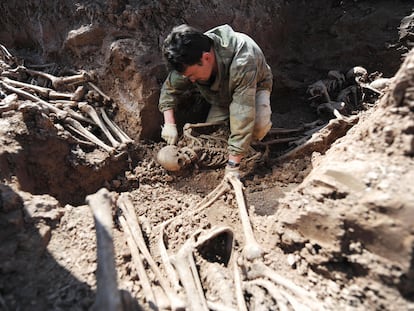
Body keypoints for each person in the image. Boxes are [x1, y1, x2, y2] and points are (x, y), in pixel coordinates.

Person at [158, 24, 273, 177]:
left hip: (253, 87)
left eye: (192, 75)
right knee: (213, 136)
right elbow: (170, 88)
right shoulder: (189, 56)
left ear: (206, 58)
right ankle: (235, 143)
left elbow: (243, 113)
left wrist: (233, 165)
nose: (191, 81)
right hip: (221, 97)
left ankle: (248, 149)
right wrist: (169, 123)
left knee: (256, 126)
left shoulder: (243, 60)